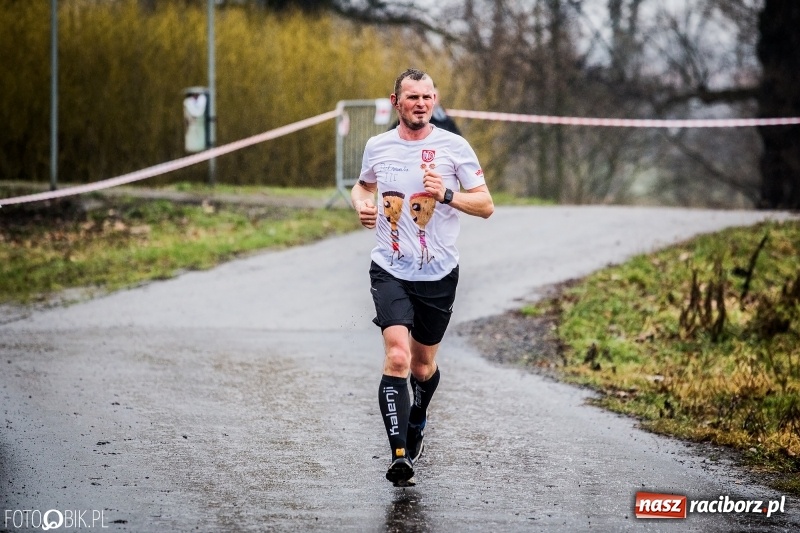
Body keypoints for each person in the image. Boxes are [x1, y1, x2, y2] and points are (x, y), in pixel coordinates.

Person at [351, 68, 494, 487]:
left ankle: (418, 420)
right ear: (396, 102)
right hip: (390, 267)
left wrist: (447, 194)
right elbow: (362, 187)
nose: (420, 103)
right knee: (397, 356)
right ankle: (399, 455)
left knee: (422, 364)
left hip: (438, 274)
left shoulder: (454, 147)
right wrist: (361, 205)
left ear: (435, 100)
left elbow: (486, 205)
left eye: (427, 97)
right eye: (412, 97)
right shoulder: (378, 146)